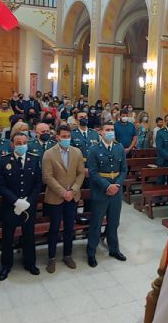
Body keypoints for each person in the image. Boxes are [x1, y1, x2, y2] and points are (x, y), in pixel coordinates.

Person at [0, 132, 42, 280]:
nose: (22, 145)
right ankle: (6, 265)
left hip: (29, 205)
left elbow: (38, 183)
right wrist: (15, 201)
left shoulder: (34, 159)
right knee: (8, 237)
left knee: (29, 235)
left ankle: (30, 263)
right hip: (10, 206)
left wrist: (29, 201)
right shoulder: (3, 161)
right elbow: (0, 185)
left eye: (24, 142)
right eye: (18, 143)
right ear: (12, 144)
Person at [42, 125, 85, 273]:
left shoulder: (77, 152)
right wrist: (63, 192)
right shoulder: (49, 154)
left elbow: (80, 173)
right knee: (54, 229)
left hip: (72, 197)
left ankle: (67, 255)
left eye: (68, 137)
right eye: (64, 136)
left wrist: (73, 190)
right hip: (55, 197)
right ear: (57, 137)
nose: (66, 139)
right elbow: (47, 177)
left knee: (69, 228)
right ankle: (51, 258)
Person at [86, 122, 128, 267]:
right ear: (101, 132)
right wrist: (107, 186)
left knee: (114, 222)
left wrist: (116, 185)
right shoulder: (93, 149)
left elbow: (124, 170)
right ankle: (91, 252)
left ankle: (114, 249)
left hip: (116, 191)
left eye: (112, 130)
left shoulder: (119, 147)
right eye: (107, 130)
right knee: (96, 223)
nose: (110, 132)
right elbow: (92, 172)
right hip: (100, 191)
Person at [71, 111, 100, 188]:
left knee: (92, 190)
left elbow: (98, 150)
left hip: (93, 167)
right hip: (78, 167)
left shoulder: (94, 133)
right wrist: (82, 168)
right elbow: (70, 153)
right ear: (76, 120)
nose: (84, 119)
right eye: (81, 117)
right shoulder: (72, 134)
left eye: (85, 117)